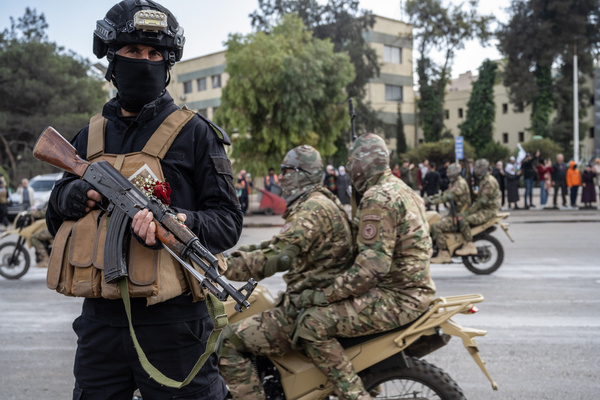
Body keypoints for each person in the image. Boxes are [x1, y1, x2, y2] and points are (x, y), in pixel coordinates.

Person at [45, 1, 242, 398]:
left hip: (175, 324)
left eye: (155, 54)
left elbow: (228, 222)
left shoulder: (196, 134)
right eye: (133, 51)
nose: (145, 61)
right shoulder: (88, 136)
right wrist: (77, 193)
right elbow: (54, 216)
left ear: (167, 64)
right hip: (101, 324)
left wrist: (182, 223)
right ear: (112, 60)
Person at [291, 134, 436, 400]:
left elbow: (371, 269)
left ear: (363, 163)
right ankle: (372, 380)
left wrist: (321, 294)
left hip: (398, 298)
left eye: (351, 161)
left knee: (312, 323)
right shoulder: (403, 189)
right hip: (415, 290)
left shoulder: (378, 198)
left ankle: (354, 394)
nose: (349, 168)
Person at [218, 145, 353, 400]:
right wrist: (227, 256)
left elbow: (279, 257)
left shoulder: (311, 210)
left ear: (302, 174)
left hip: (307, 307)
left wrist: (225, 268)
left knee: (228, 341)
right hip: (316, 300)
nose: (281, 178)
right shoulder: (320, 201)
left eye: (286, 171)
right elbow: (273, 245)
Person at [455, 159, 500, 256]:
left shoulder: (489, 181)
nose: (475, 170)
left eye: (478, 168)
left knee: (464, 220)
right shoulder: (484, 180)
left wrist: (468, 212)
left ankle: (469, 245)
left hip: (488, 210)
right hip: (485, 208)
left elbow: (482, 201)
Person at [429, 163, 472, 264]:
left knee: (436, 226)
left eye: (450, 174)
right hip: (455, 213)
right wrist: (427, 199)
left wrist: (428, 201)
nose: (448, 176)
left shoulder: (460, 184)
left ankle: (444, 254)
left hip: (461, 215)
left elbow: (446, 197)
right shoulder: (455, 183)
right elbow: (444, 194)